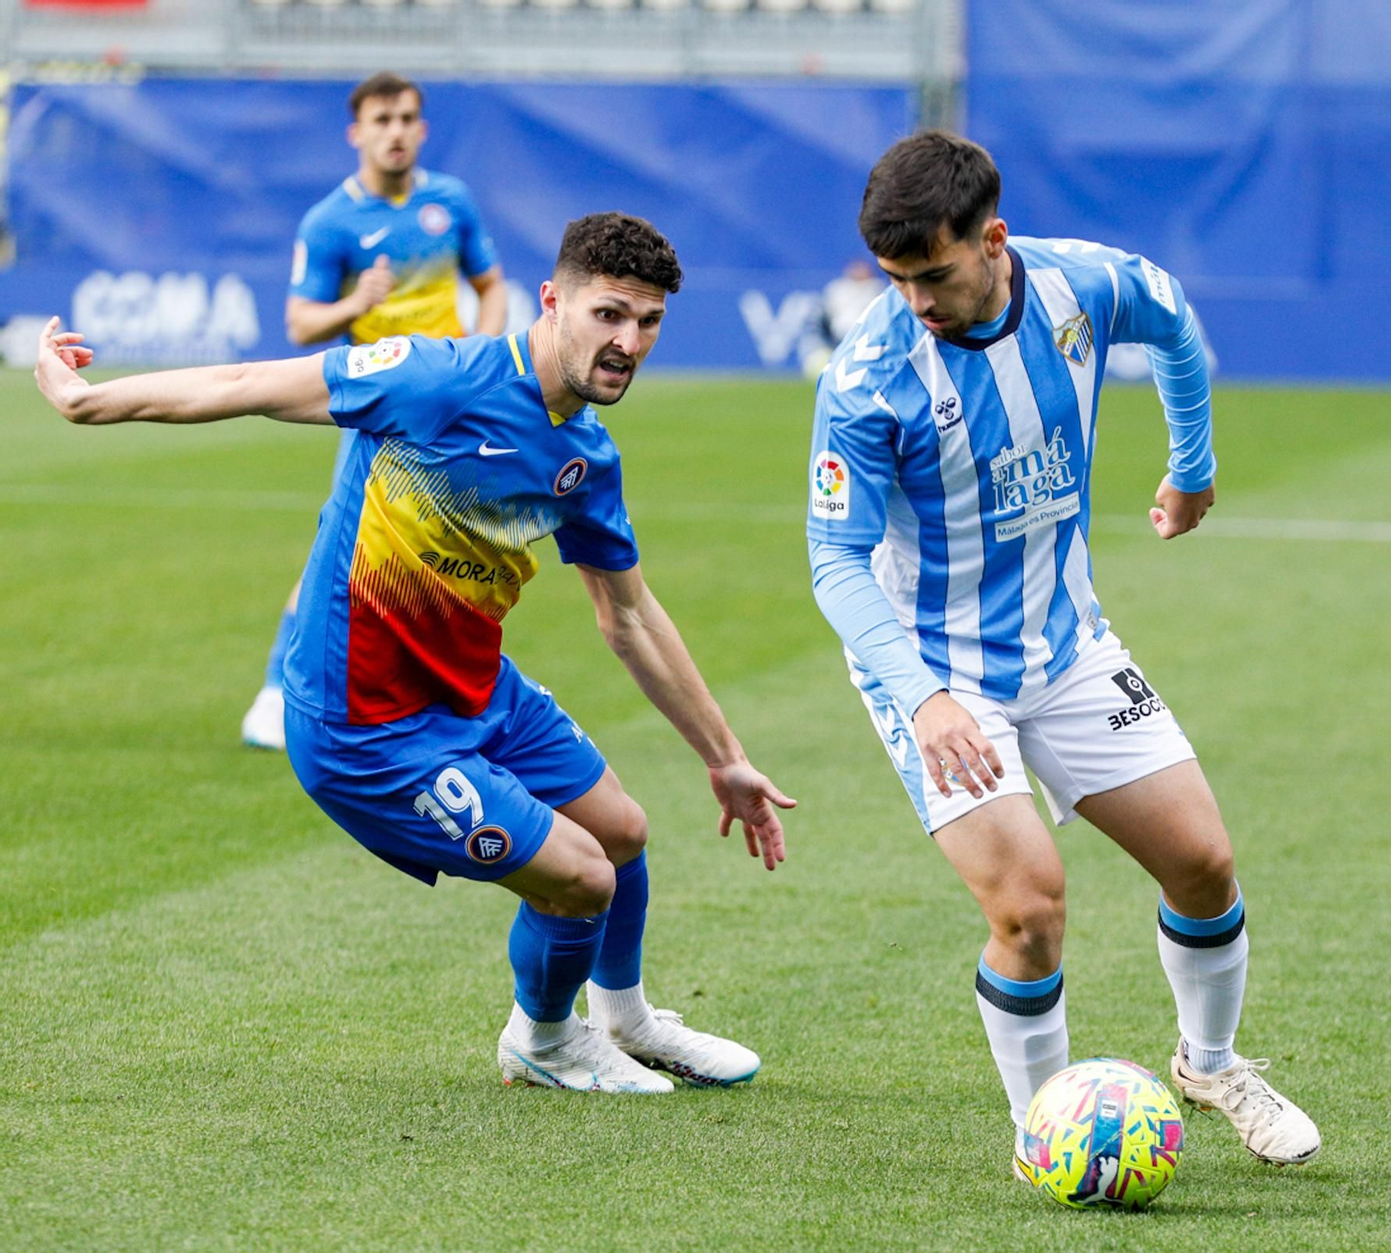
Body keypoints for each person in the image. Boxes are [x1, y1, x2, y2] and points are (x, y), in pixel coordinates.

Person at [37, 212, 795, 1094]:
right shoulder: (436, 378)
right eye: (609, 314)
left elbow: (628, 618)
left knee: (623, 832)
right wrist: (88, 401)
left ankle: (624, 1019)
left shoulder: (587, 454)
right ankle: (544, 1042)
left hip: (476, 690)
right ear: (552, 301)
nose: (628, 341)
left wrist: (726, 758)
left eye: (649, 322)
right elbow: (253, 380)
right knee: (582, 878)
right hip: (368, 725)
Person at [805, 132, 1320, 1169]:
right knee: (1030, 904)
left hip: (1066, 642)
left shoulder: (1081, 287)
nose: (915, 301)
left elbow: (1170, 317)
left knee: (1203, 862)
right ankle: (1043, 1128)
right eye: (896, 280)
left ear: (993, 241)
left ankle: (1211, 1065)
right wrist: (921, 696)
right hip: (934, 669)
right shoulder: (868, 380)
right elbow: (835, 561)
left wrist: (1192, 465)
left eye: (934, 275)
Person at [242, 70, 509, 751]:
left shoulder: (450, 202)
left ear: (422, 129)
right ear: (356, 132)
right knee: (342, 547)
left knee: (454, 554)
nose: (395, 132)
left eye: (407, 119)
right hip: (381, 408)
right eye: (382, 120)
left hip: (454, 404)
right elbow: (301, 325)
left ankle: (437, 694)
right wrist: (356, 305)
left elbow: (490, 283)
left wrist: (484, 353)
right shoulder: (332, 221)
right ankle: (277, 688)